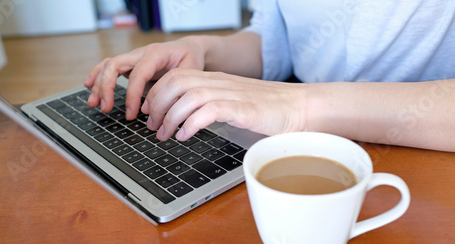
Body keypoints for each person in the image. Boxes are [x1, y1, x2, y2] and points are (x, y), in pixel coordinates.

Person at [85, 0, 455, 152]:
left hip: (423, 155)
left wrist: (300, 105)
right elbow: (275, 40)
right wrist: (202, 50)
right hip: (302, 146)